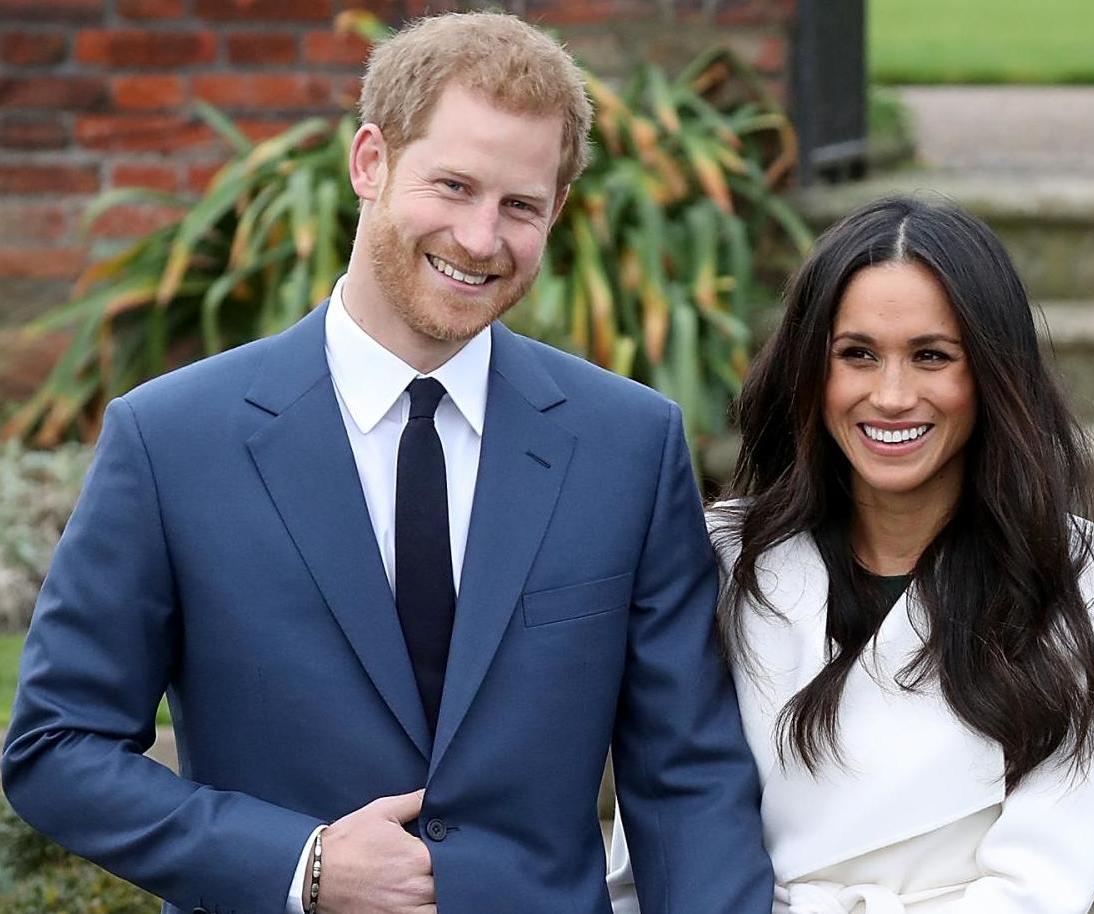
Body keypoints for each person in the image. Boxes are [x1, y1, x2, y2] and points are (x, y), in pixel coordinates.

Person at [1, 12, 774, 914]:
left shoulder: (626, 445)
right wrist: (301, 864)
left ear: (556, 210)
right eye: (452, 185)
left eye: (520, 205)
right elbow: (56, 747)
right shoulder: (171, 440)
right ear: (370, 162)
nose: (481, 239)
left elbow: (687, 776)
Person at [608, 195, 1094, 914]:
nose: (891, 396)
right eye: (857, 355)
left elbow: (1038, 890)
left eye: (932, 356)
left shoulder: (1090, 584)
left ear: (993, 374)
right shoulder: (720, 561)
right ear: (811, 369)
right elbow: (656, 843)